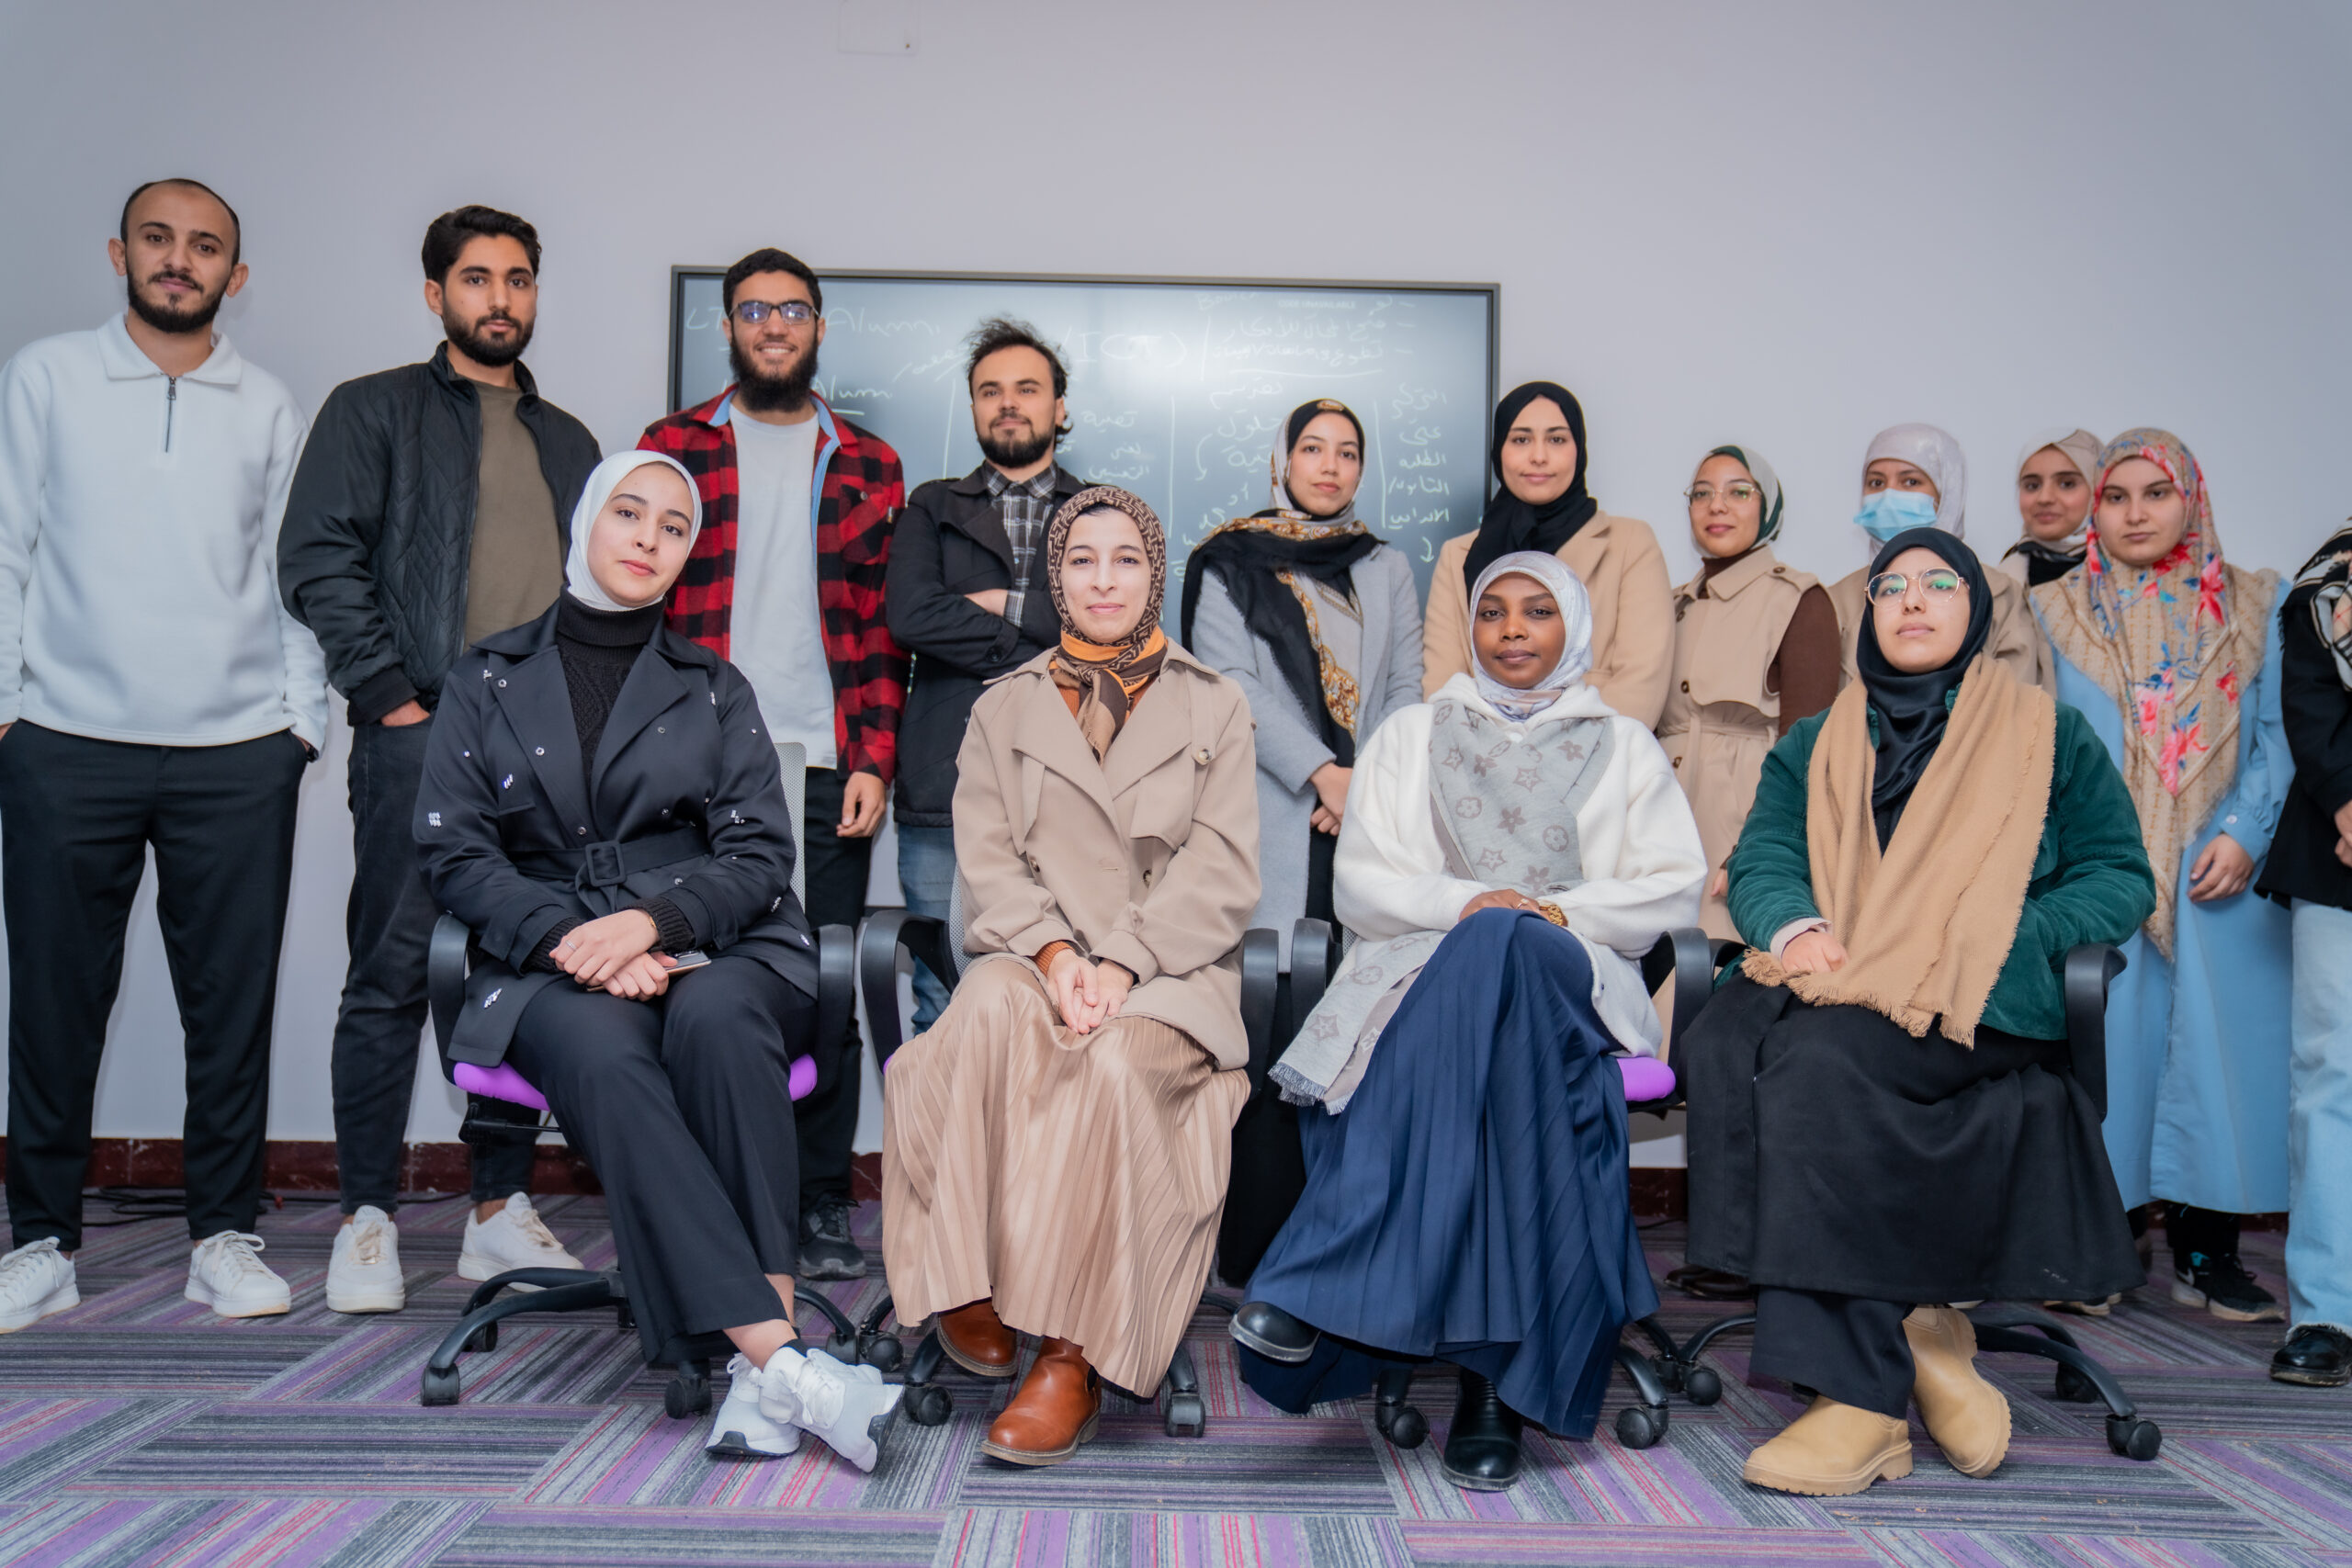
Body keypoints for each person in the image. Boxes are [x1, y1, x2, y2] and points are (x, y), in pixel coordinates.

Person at [416, 451, 900, 1470]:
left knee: (720, 1018)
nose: (647, 537)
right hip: (545, 950)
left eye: (673, 526)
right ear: (586, 522)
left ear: (689, 554)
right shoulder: (483, 677)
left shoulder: (715, 686)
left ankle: (757, 1361)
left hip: (714, 938)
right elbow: (454, 852)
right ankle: (776, 1358)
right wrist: (576, 944)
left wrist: (651, 925)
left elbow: (760, 854)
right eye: (628, 513)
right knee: (602, 1048)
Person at [1683, 528, 2154, 1497]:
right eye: (1891, 585)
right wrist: (1796, 925)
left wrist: (2007, 932)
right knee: (1736, 1040)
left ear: (1975, 612)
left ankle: (1858, 1403)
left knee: (1815, 1068)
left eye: (1940, 584)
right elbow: (1765, 857)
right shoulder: (1815, 741)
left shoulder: (2048, 732)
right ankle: (1912, 1327)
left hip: (1979, 996)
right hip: (1842, 978)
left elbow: (2118, 875)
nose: (1911, 600)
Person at [1229, 552, 1704, 1492]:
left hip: (1571, 972)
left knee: (1507, 943)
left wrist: (1543, 913)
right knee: (1496, 1046)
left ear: (1573, 627)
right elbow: (1362, 883)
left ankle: (1320, 1282)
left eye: (1537, 611)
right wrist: (1470, 902)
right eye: (1494, 612)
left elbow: (1671, 888)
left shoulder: (1625, 745)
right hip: (1421, 968)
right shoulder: (1410, 733)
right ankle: (1492, 1389)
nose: (1513, 629)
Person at [0, 177, 325, 1326]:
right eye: (158, 238)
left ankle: (223, 1238)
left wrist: (300, 724)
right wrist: (8, 710)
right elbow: (6, 544)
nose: (178, 259)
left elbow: (293, 576)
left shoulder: (269, 404)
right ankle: (41, 1243)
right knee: (53, 1005)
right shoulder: (45, 376)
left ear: (236, 274)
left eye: (204, 246)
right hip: (63, 744)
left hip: (237, 754)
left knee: (230, 1009)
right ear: (119, 253)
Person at [880, 486, 1259, 1468]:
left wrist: (1123, 962)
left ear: (1154, 575)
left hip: (1169, 971)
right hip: (1033, 952)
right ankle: (966, 1277)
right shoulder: (1001, 705)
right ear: (1055, 577)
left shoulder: (1215, 702)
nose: (1102, 580)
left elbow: (1220, 871)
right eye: (1081, 560)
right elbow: (989, 861)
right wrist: (1054, 956)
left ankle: (1070, 1354)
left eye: (1125, 559)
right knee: (979, 1013)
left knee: (1112, 1066)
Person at [280, 204, 599, 1314]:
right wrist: (391, 698)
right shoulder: (372, 410)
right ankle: (367, 1215)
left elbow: (597, 597)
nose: (498, 299)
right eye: (476, 278)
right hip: (419, 738)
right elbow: (317, 556)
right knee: (390, 973)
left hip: (544, 755)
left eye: (517, 279)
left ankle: (496, 1210)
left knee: (519, 978)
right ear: (436, 294)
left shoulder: (572, 442)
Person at [640, 247, 906, 1282]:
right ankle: (702, 1196)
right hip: (696, 761)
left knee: (825, 981)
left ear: (819, 327)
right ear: (727, 328)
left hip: (827, 759)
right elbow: (638, 607)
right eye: (754, 311)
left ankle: (820, 1198)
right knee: (690, 977)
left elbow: (881, 632)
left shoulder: (870, 463)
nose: (774, 326)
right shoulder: (671, 449)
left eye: (793, 310)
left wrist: (873, 757)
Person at [2033, 429, 2294, 1322]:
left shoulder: (2256, 602)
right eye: (2116, 496)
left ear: (2192, 499)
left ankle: (2207, 1254)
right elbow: (2040, 746)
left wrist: (2245, 833)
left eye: (2156, 494)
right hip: (2101, 869)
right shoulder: (2052, 610)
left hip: (2220, 873)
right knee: (2107, 1056)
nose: (2134, 514)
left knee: (2219, 1064)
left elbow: (2278, 735)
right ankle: (2104, 1246)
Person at [1181, 398, 1425, 1284]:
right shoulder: (1228, 560)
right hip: (1275, 817)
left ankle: (1342, 1255)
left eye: (1347, 451)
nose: (1329, 465)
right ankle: (1255, 1251)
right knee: (1272, 1023)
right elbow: (1229, 684)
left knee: (1360, 1028)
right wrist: (1324, 774)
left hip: (1368, 825)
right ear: (1281, 462)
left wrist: (1365, 785)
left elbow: (1405, 687)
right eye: (1312, 448)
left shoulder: (1385, 566)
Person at [886, 318, 1088, 1032]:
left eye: (1027, 389)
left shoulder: (1101, 510)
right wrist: (1045, 643)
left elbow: (1115, 625)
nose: (1008, 403)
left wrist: (1002, 603)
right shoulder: (931, 506)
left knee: (1067, 998)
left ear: (1059, 406)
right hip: (944, 784)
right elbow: (912, 615)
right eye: (989, 390)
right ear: (973, 407)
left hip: (1074, 787)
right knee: (943, 997)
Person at [1659, 446, 1839, 939]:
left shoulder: (1799, 599)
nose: (1717, 505)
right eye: (1702, 493)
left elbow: (1809, 750)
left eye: (1739, 492)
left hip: (1737, 823)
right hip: (1660, 824)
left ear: (1769, 508)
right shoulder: (1668, 604)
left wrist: (1752, 852)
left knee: (1720, 967)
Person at [1423, 382, 1672, 726]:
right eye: (1520, 440)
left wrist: (1556, 754)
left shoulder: (1630, 544)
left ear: (1579, 449)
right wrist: (1497, 754)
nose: (1538, 456)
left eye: (1556, 439)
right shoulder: (1458, 555)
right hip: (1477, 754)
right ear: (1498, 450)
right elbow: (1443, 686)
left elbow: (1641, 684)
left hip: (1598, 752)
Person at [2257, 521, 2352, 1387]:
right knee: (2332, 1078)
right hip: (2341, 846)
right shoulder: (2331, 576)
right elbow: (2312, 703)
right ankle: (2328, 1311)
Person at [1826, 423, 2051, 691]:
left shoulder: (2000, 593)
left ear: (1948, 494)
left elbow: (2020, 702)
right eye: (1876, 482)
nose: (1889, 495)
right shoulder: (1835, 601)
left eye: (1911, 481)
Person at [2002, 429, 2103, 588]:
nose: (2045, 498)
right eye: (2032, 485)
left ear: (2098, 488)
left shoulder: (2130, 576)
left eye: (2067, 484)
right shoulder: (1999, 581)